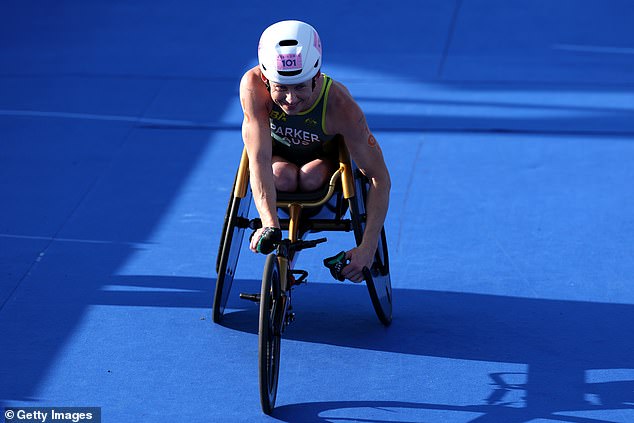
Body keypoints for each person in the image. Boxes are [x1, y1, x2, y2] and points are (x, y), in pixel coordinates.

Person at [239, 20, 390, 283]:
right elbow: (259, 158)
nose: (290, 99)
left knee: (310, 175)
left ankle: (306, 223)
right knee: (281, 173)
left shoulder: (341, 106)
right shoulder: (253, 87)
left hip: (322, 173)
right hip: (277, 164)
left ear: (317, 76)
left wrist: (368, 247)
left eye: (299, 86)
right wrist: (269, 224)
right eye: (280, 88)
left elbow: (379, 178)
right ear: (265, 80)